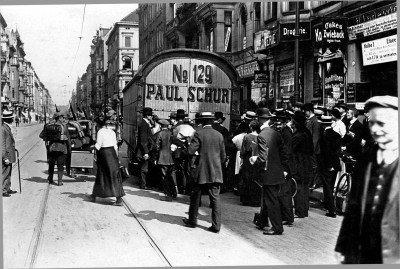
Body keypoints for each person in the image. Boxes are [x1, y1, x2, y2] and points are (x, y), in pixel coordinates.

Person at [335, 95, 399, 264]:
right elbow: (354, 206)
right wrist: (343, 246)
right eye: (372, 123)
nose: (375, 129)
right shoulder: (367, 159)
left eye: (382, 123)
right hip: (364, 248)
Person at [182, 112, 226, 233]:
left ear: (201, 121)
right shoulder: (219, 135)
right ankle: (216, 226)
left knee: (195, 196)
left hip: (201, 171)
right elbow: (223, 156)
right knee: (215, 199)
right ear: (211, 121)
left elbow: (191, 151)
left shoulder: (199, 134)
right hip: (216, 171)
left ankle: (192, 221)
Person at [249, 108, 289, 235]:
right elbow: (284, 153)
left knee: (271, 200)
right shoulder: (276, 133)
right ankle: (262, 221)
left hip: (268, 173)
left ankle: (277, 227)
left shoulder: (261, 136)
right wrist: (284, 169)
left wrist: (254, 160)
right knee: (268, 198)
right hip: (277, 171)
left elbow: (262, 157)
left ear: (260, 120)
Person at [86, 116, 125, 206]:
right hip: (112, 153)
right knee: (114, 175)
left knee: (102, 174)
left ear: (98, 125)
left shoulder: (100, 131)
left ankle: (94, 196)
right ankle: (118, 198)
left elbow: (99, 144)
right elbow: (115, 145)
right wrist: (117, 157)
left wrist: (92, 147)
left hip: (104, 154)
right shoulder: (112, 132)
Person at [289, 111, 314, 218]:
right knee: (304, 187)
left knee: (298, 186)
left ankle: (299, 211)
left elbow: (291, 151)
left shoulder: (297, 136)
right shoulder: (307, 133)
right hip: (307, 163)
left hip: (298, 164)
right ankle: (304, 209)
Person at [319, 115, 342, 218]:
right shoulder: (336, 134)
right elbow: (337, 150)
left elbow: (326, 152)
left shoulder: (324, 136)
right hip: (336, 163)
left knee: (327, 187)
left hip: (327, 164)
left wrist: (329, 165)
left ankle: (331, 210)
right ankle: (328, 205)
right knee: (331, 186)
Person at [43, 112, 71, 186]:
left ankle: (50, 179)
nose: (63, 119)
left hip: (51, 147)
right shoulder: (63, 126)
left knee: (51, 164)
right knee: (60, 165)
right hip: (61, 147)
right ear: (59, 118)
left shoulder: (49, 125)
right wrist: (69, 148)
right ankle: (60, 181)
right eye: (62, 117)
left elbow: (43, 136)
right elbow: (68, 139)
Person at [239, 119, 261, 206]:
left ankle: (246, 199)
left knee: (247, 179)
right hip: (258, 159)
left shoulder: (247, 137)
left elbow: (243, 150)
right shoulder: (260, 136)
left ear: (251, 127)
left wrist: (241, 159)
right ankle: (255, 200)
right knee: (255, 179)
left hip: (248, 159)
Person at [155, 119, 177, 201]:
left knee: (164, 177)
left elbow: (157, 147)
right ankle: (174, 193)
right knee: (170, 176)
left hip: (163, 158)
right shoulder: (171, 133)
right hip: (170, 158)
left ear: (160, 126)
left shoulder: (160, 134)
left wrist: (155, 157)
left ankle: (168, 195)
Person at [135, 107, 155, 190]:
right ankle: (143, 184)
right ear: (148, 116)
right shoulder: (144, 124)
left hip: (144, 149)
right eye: (151, 115)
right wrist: (146, 152)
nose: (152, 117)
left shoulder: (144, 123)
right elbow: (143, 140)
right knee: (144, 168)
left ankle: (143, 183)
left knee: (143, 167)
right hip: (144, 150)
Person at [304, 103, 322, 189]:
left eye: (306, 111)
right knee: (310, 166)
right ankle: (311, 181)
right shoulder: (310, 120)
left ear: (309, 111)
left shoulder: (315, 121)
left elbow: (315, 137)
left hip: (313, 149)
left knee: (314, 166)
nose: (305, 112)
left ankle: (316, 182)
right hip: (308, 147)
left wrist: (312, 148)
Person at [2, 110, 17, 197]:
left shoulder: (7, 127)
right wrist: (4, 157)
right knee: (5, 172)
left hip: (9, 154)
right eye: (11, 118)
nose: (12, 119)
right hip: (6, 155)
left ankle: (7, 188)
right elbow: (2, 145)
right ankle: (3, 190)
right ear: (8, 119)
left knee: (9, 172)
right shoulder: (3, 128)